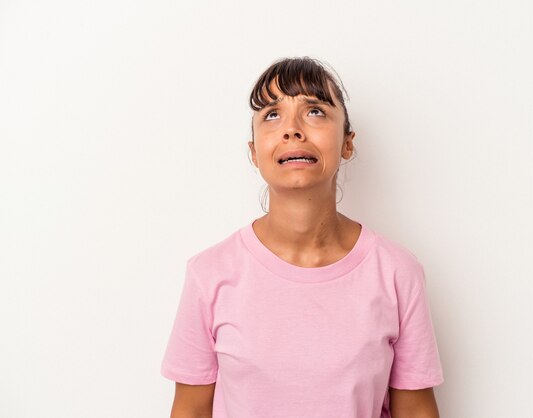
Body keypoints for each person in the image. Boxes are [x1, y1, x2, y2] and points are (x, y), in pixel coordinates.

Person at [161, 56, 444, 418]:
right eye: (272, 115)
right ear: (254, 151)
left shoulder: (397, 273)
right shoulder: (209, 274)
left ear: (347, 143)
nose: (292, 129)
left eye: (315, 111)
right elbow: (189, 411)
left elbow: (417, 411)